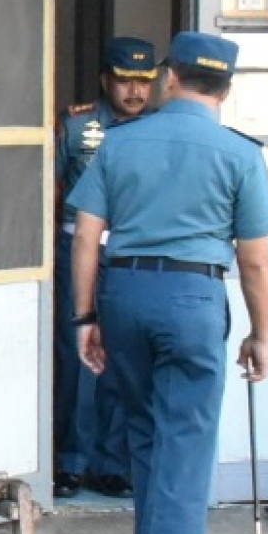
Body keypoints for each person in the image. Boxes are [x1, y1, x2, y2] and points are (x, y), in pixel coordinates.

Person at [71, 30, 268, 534]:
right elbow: (256, 262)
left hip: (125, 293)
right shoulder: (240, 154)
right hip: (192, 298)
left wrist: (86, 319)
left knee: (146, 446)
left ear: (170, 78)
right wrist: (260, 334)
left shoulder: (121, 141)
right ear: (228, 89)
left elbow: (86, 238)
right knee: (183, 458)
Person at [53, 36, 158, 500]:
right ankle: (71, 460)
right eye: (124, 80)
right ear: (105, 81)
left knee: (124, 359)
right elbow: (50, 193)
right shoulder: (78, 126)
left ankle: (113, 464)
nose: (134, 90)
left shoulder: (161, 129)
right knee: (77, 359)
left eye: (144, 81)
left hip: (133, 253)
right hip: (78, 251)